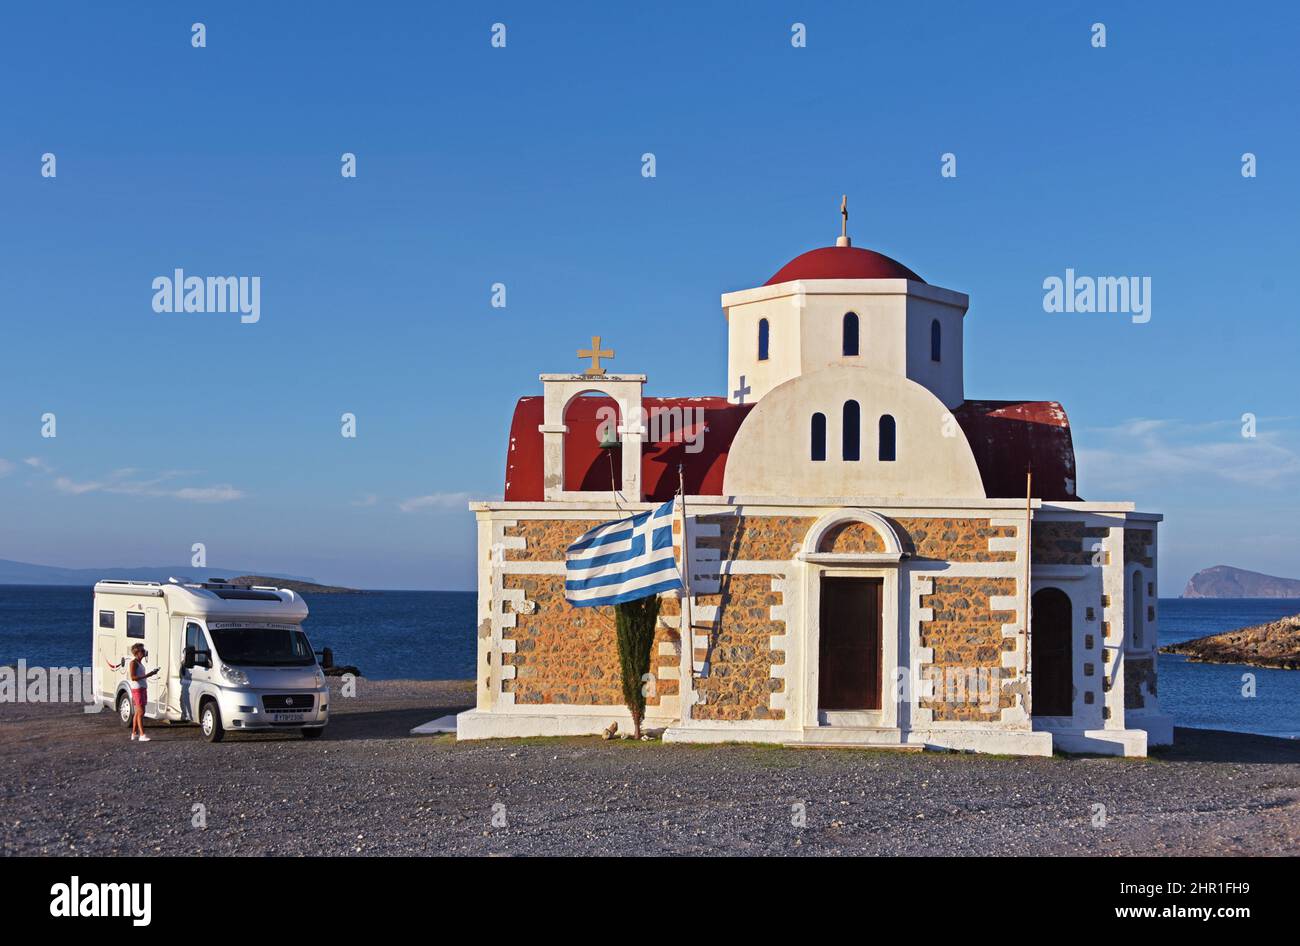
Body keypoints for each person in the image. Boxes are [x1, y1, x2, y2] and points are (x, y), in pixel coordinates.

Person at [125, 643, 158, 742]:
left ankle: (134, 734)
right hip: (137, 689)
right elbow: (133, 677)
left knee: (137, 713)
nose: (144, 652)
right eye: (142, 651)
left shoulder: (139, 663)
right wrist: (148, 675)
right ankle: (142, 735)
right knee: (141, 712)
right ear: (137, 653)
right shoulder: (133, 663)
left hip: (142, 688)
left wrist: (150, 674)